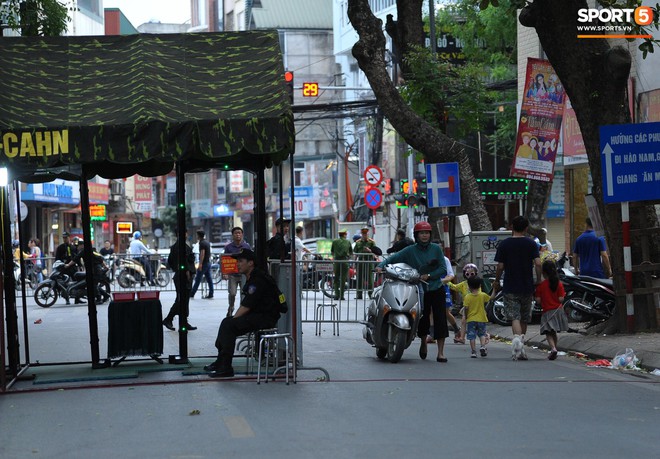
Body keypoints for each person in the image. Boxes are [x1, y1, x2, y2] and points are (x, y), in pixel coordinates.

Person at [376, 221, 449, 362]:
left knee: (441, 320)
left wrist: (429, 275)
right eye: (421, 233)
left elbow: (443, 269)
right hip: (419, 289)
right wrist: (381, 265)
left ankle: (441, 352)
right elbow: (393, 258)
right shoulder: (410, 250)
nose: (424, 235)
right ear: (416, 235)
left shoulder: (436, 249)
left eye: (427, 233)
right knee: (422, 317)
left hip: (436, 287)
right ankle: (423, 343)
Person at [205, 249, 284, 378]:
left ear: (250, 263)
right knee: (227, 322)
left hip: (266, 318)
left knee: (229, 325)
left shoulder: (258, 279)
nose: (238, 264)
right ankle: (221, 362)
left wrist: (233, 320)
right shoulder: (253, 277)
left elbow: (247, 306)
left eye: (241, 261)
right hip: (258, 315)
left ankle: (225, 367)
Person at [493, 216, 542, 361]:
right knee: (524, 317)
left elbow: (500, 266)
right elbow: (538, 263)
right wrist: (538, 280)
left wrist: (496, 280)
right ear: (526, 228)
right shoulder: (531, 244)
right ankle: (521, 346)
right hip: (527, 285)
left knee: (514, 316)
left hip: (510, 285)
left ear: (511, 227)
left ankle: (517, 345)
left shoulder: (504, 244)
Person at [163, 230, 197, 331]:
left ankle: (183, 322)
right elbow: (183, 261)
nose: (186, 235)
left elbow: (170, 261)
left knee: (183, 300)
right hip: (183, 276)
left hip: (181, 275)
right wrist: (186, 272)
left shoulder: (177, 246)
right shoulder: (180, 246)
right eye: (184, 233)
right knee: (181, 300)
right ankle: (169, 319)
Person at [535, 259, 568, 361]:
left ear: (544, 272)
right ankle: (555, 348)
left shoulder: (541, 285)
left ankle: (553, 348)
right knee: (554, 332)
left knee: (548, 332)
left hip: (547, 311)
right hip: (558, 311)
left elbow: (538, 300)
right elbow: (561, 298)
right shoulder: (559, 284)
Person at [222, 226, 252, 316]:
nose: (238, 234)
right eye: (236, 233)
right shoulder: (228, 247)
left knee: (244, 294)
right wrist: (224, 273)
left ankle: (242, 311)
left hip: (244, 275)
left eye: (239, 233)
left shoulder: (246, 246)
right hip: (232, 275)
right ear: (233, 235)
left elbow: (250, 260)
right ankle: (231, 307)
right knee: (232, 293)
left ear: (242, 234)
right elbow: (224, 260)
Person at [462, 276, 491, 358]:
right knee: (482, 334)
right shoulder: (483, 295)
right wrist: (495, 290)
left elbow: (466, 308)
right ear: (479, 286)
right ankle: (482, 346)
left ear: (469, 286)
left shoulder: (467, 297)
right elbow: (491, 298)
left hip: (471, 319)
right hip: (481, 319)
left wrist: (466, 316)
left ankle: (473, 352)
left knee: (472, 336)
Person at [353, 227, 379, 300]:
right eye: (363, 234)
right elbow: (356, 253)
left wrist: (369, 250)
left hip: (369, 261)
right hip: (361, 262)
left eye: (366, 234)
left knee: (370, 278)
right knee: (359, 278)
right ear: (361, 234)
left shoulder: (371, 242)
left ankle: (370, 294)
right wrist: (354, 262)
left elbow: (375, 252)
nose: (365, 235)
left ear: (368, 234)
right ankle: (359, 295)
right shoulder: (358, 242)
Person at [190, 230, 214, 299]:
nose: (196, 236)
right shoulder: (207, 242)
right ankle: (211, 293)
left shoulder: (202, 243)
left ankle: (192, 293)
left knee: (198, 279)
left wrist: (200, 264)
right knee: (209, 279)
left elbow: (202, 254)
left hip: (204, 264)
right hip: (208, 262)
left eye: (197, 235)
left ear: (199, 236)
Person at [330, 229, 352, 300]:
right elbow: (351, 253)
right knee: (343, 279)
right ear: (345, 234)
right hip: (344, 261)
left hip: (336, 262)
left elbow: (332, 252)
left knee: (336, 279)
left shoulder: (335, 241)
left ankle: (336, 295)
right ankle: (342, 296)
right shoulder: (348, 242)